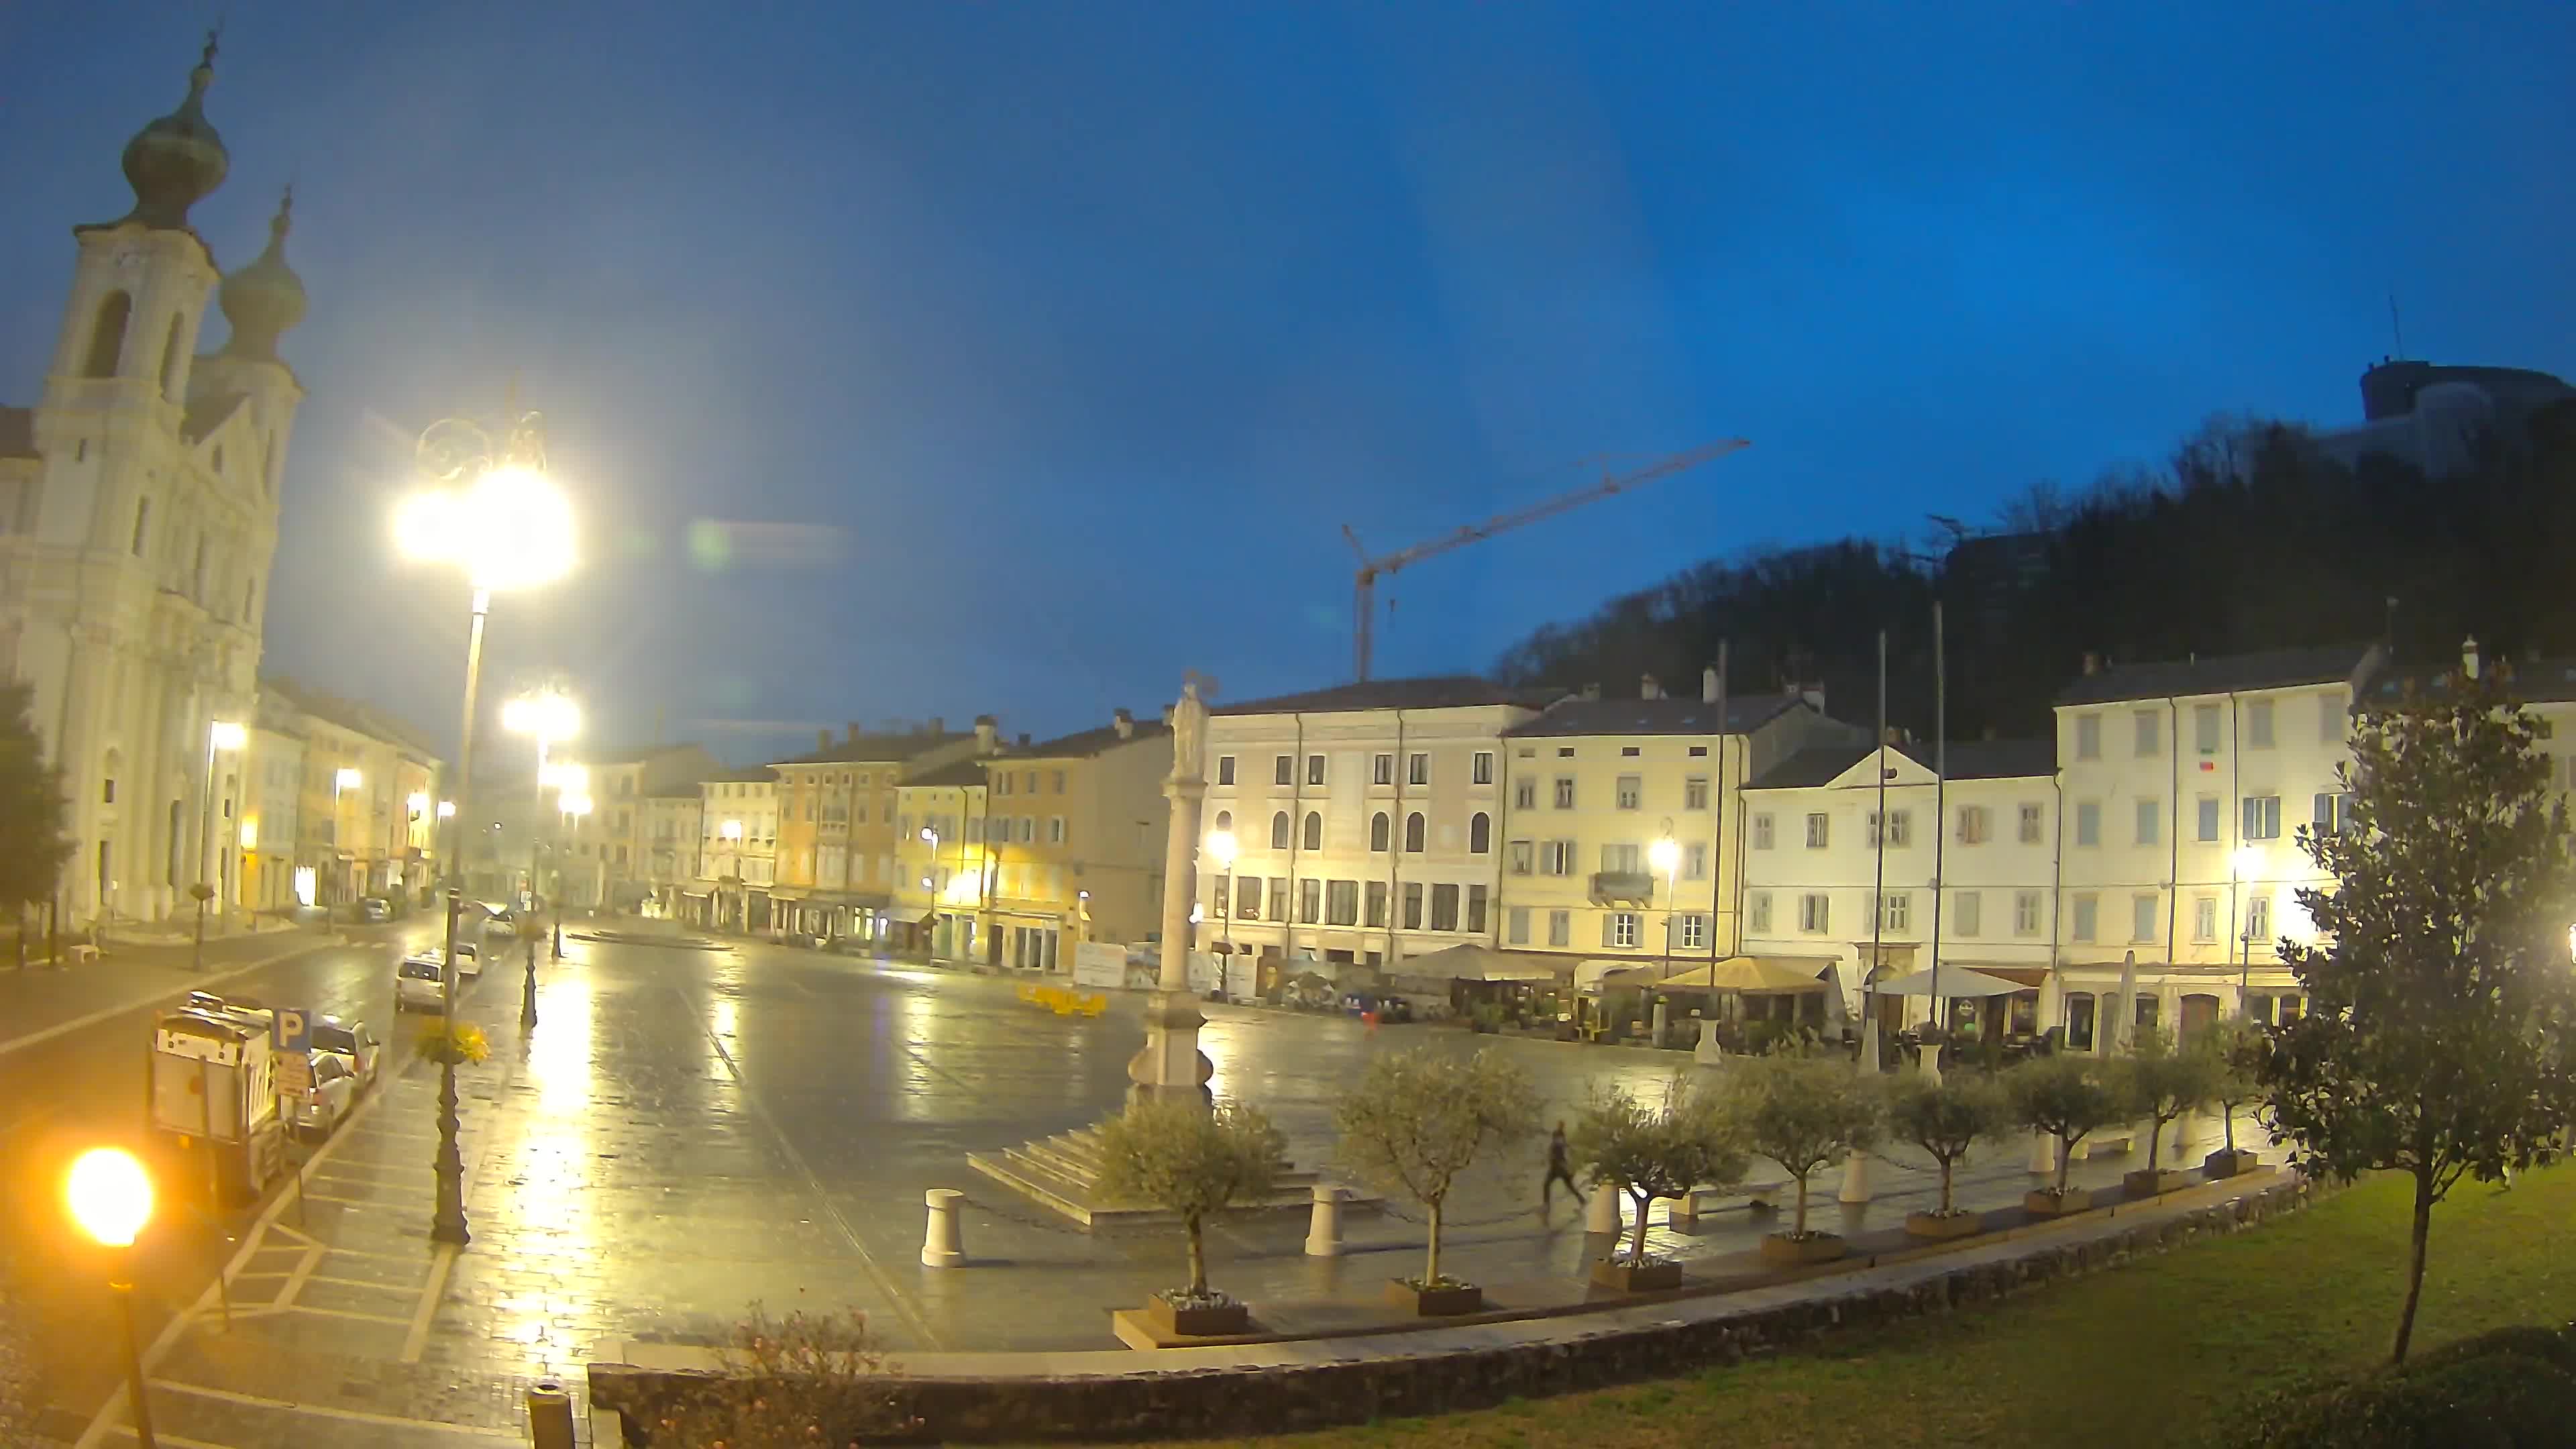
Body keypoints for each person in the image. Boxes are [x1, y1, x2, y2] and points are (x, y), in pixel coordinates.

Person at [1542, 1121, 1585, 1210]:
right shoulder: (1560, 1140)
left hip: (1558, 1168)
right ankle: (1581, 1199)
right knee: (1569, 1186)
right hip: (1559, 1167)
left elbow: (1557, 1154)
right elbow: (1564, 1148)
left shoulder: (1558, 1142)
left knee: (1547, 1185)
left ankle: (1547, 1205)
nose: (1557, 1140)